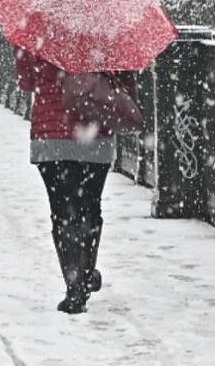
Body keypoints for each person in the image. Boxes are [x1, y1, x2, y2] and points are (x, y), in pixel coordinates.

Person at [16, 48, 139, 314]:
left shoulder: (38, 30)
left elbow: (26, 81)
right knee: (89, 208)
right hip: (94, 135)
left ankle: (75, 285)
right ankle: (84, 272)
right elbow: (126, 84)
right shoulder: (106, 32)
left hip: (51, 138)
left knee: (62, 213)